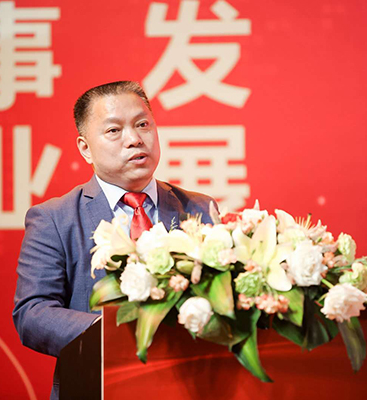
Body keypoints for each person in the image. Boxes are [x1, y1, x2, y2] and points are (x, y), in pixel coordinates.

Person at [12, 81, 216, 399]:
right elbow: (32, 313)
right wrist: (115, 332)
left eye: (143, 124)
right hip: (96, 386)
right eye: (114, 131)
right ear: (85, 148)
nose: (134, 139)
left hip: (189, 386)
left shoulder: (199, 208)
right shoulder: (54, 218)